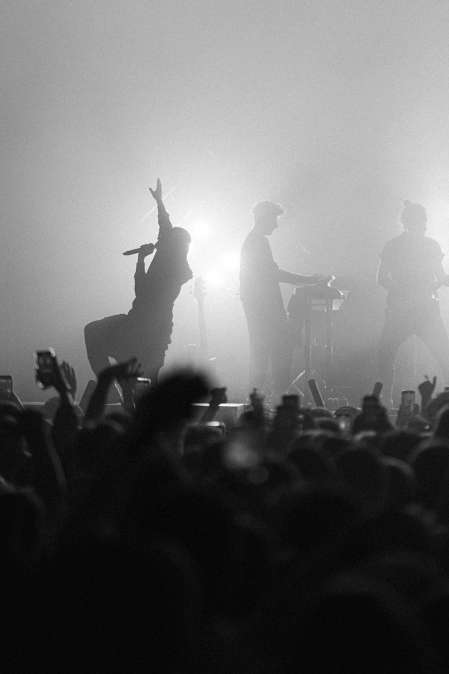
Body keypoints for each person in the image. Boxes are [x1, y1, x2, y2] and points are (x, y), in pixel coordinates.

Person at [84, 179, 192, 384]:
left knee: (93, 333)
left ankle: (110, 386)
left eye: (166, 239)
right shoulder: (171, 258)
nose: (161, 239)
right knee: (144, 382)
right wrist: (159, 202)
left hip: (142, 329)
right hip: (150, 330)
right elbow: (165, 225)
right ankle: (118, 388)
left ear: (172, 244)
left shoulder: (170, 270)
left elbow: (141, 290)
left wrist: (141, 259)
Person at [239, 200, 327, 399]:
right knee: (274, 352)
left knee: (264, 353)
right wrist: (308, 280)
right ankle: (273, 398)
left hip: (261, 307)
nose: (276, 225)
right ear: (264, 218)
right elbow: (272, 274)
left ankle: (261, 400)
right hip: (265, 309)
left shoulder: (254, 241)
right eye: (274, 219)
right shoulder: (258, 242)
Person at [377, 200, 449, 405]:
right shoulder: (407, 245)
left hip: (416, 309)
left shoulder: (399, 245)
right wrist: (407, 291)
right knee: (387, 353)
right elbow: (382, 278)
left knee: (386, 353)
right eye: (420, 221)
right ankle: (386, 400)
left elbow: (382, 279)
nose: (422, 226)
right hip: (412, 310)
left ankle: (385, 400)